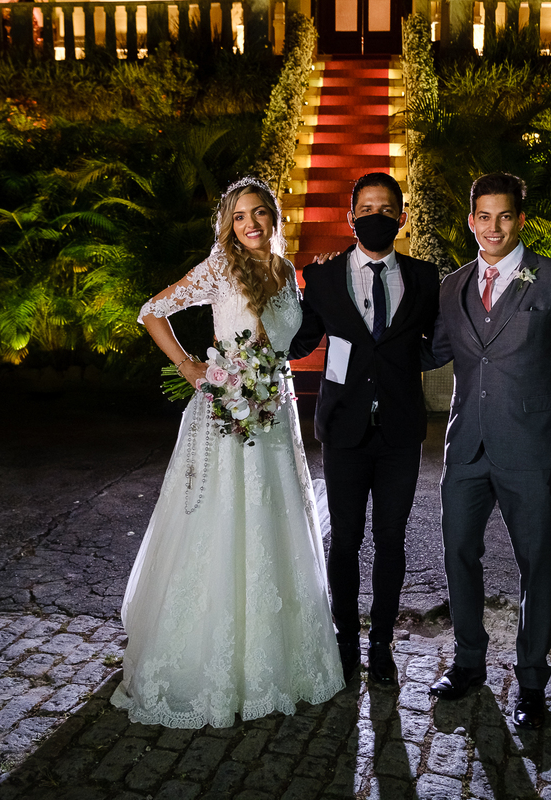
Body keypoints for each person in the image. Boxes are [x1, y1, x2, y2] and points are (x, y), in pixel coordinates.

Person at [111, 177, 345, 729]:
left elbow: (290, 341)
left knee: (274, 523)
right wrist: (190, 366)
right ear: (229, 225)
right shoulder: (221, 268)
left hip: (275, 416)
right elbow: (152, 310)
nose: (251, 224)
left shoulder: (285, 272)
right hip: (228, 415)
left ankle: (276, 656)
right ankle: (209, 659)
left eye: (259, 213)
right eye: (239, 216)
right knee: (222, 525)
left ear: (273, 217)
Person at [426, 172, 551, 730]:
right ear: (471, 220)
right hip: (466, 448)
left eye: (504, 216)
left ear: (521, 220)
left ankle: (531, 681)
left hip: (533, 449)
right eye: (484, 216)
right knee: (458, 553)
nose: (494, 227)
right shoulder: (452, 286)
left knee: (537, 563)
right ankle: (468, 662)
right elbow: (431, 352)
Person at [289, 173, 441, 688]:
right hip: (343, 428)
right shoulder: (323, 276)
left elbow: (440, 341)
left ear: (402, 217)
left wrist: (403, 364)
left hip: (399, 430)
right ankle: (345, 641)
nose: (377, 216)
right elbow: (300, 339)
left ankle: (381, 644)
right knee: (346, 539)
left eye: (387, 208)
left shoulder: (425, 278)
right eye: (367, 208)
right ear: (351, 217)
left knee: (391, 540)